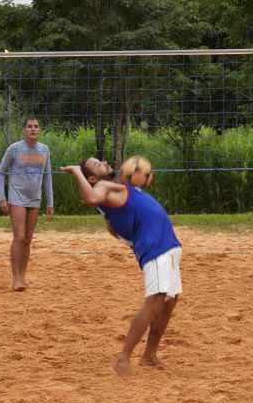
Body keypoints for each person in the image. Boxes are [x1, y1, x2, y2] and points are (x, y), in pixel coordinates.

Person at [61, 156, 182, 378]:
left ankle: (150, 356)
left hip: (168, 245)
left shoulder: (118, 188)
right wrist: (75, 172)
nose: (103, 161)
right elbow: (90, 197)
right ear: (92, 177)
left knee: (169, 302)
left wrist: (136, 178)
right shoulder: (103, 187)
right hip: (157, 248)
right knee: (155, 300)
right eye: (97, 164)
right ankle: (123, 356)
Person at [0, 117, 54, 292]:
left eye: (36, 126)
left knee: (28, 239)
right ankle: (16, 278)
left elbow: (48, 178)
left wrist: (50, 203)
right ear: (24, 130)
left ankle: (23, 276)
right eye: (29, 126)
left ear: (40, 130)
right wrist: (2, 198)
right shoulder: (14, 149)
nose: (33, 129)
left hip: (34, 199)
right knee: (19, 236)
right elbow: (0, 173)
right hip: (17, 197)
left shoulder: (44, 150)